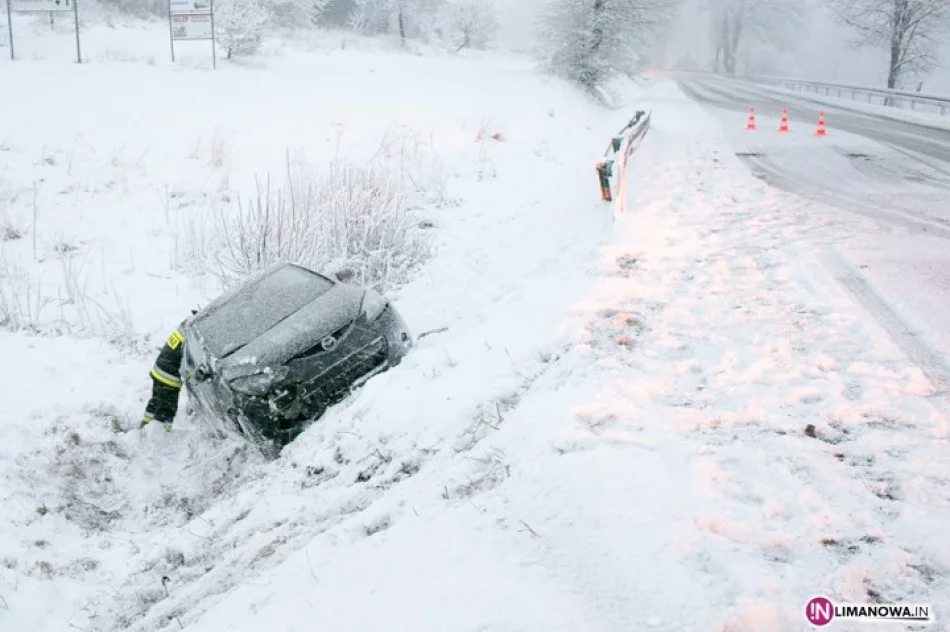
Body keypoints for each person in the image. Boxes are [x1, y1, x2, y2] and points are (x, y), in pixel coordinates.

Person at [141, 312, 196, 431]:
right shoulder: (195, 332)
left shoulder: (188, 325)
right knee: (167, 410)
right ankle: (160, 435)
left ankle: (144, 427)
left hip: (160, 368)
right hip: (169, 377)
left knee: (156, 401)